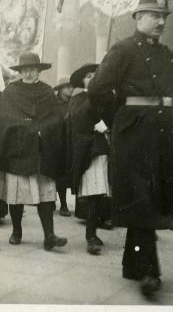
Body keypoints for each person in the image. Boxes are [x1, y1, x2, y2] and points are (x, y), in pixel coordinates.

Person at [88, 0, 173, 296]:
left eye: (164, 16)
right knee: (143, 198)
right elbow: (97, 90)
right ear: (138, 16)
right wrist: (122, 118)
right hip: (135, 137)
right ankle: (149, 272)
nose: (161, 22)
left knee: (153, 197)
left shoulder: (168, 55)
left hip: (164, 135)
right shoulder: (123, 50)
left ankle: (132, 264)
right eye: (155, 15)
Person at [0, 52, 67, 251]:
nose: (28, 73)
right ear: (20, 72)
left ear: (39, 71)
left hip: (41, 149)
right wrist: (28, 127)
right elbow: (6, 117)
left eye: (32, 70)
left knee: (45, 194)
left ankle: (49, 235)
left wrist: (43, 129)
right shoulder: (11, 92)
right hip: (18, 149)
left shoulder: (47, 92)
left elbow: (56, 118)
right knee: (17, 193)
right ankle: (17, 231)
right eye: (25, 70)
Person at [68, 63, 111, 255]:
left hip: (108, 150)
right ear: (83, 81)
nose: (92, 78)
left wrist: (108, 124)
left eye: (95, 75)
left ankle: (96, 229)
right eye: (88, 76)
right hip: (91, 150)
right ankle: (90, 235)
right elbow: (77, 120)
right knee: (94, 193)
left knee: (103, 193)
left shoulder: (108, 98)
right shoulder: (79, 99)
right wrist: (95, 123)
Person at [53, 76, 73, 217]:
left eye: (71, 87)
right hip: (57, 142)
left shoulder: (73, 103)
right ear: (60, 90)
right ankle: (63, 204)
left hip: (70, 141)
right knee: (58, 175)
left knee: (67, 174)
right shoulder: (55, 105)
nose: (70, 89)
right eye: (67, 87)